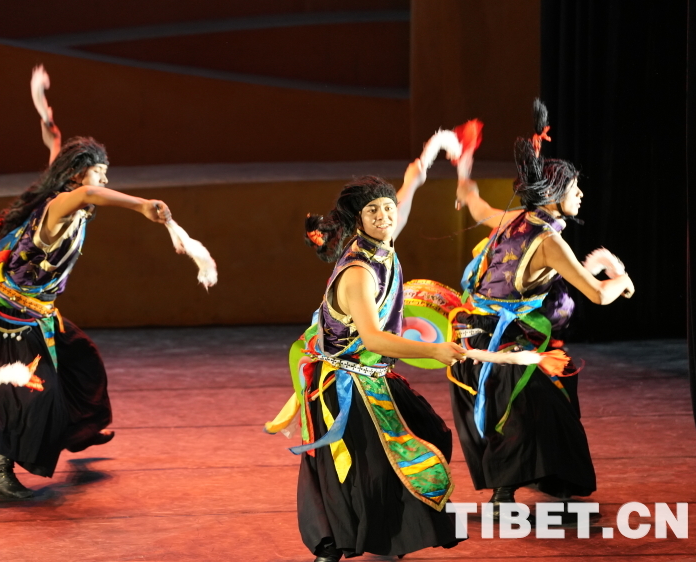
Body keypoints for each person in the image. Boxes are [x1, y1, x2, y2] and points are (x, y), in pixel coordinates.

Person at [0, 119, 173, 499]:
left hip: (42, 313)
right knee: (25, 396)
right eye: (99, 171)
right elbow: (87, 194)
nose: (104, 180)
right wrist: (142, 205)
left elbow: (71, 181)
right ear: (79, 174)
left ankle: (79, 430)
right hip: (12, 319)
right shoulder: (62, 206)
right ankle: (1, 472)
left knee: (81, 361)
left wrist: (53, 141)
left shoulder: (65, 200)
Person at [267, 163, 465, 562]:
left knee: (428, 432)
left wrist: (413, 180)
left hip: (373, 373)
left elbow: (396, 212)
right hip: (346, 384)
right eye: (373, 210)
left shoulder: (381, 244)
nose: (385, 216)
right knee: (356, 469)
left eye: (387, 208)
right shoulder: (359, 272)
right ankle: (334, 546)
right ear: (358, 220)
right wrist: (434, 350)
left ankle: (388, 537)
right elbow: (373, 338)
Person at [449, 99, 635, 515]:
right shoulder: (550, 241)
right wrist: (623, 280)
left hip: (475, 338)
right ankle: (511, 492)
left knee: (548, 393)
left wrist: (464, 172)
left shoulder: (513, 218)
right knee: (537, 403)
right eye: (574, 188)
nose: (581, 194)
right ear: (552, 195)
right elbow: (597, 294)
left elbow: (474, 203)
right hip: (500, 348)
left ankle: (540, 484)